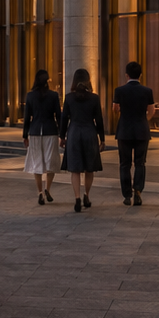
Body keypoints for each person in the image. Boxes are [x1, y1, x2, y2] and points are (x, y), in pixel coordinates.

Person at [60, 69, 104, 212]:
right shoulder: (94, 98)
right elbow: (99, 120)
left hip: (73, 133)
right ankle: (87, 194)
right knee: (89, 168)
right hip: (89, 132)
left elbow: (64, 118)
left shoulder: (69, 98)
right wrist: (102, 139)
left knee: (75, 169)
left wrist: (62, 136)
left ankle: (77, 198)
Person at [113, 61, 155, 206]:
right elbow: (151, 110)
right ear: (140, 75)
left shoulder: (119, 90)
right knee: (140, 163)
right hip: (142, 130)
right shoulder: (147, 91)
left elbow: (115, 108)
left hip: (124, 130)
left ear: (126, 75)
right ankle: (138, 190)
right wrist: (144, 120)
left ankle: (126, 195)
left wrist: (121, 112)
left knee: (124, 164)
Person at [21, 69, 61, 205]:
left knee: (36, 162)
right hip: (51, 130)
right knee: (51, 161)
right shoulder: (54, 95)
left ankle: (39, 192)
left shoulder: (30, 96)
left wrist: (25, 135)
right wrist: (62, 134)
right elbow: (58, 116)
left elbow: (27, 118)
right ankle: (47, 189)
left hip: (35, 130)